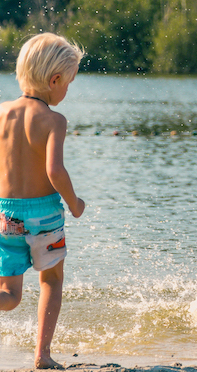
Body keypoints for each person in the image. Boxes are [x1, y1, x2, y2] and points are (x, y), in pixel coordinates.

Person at [0, 33, 86, 369]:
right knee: (50, 279)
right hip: (44, 215)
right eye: (69, 83)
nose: (67, 91)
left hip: (6, 214)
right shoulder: (53, 120)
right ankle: (42, 355)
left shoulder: (2, 113)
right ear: (54, 80)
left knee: (9, 296)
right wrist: (75, 203)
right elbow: (55, 171)